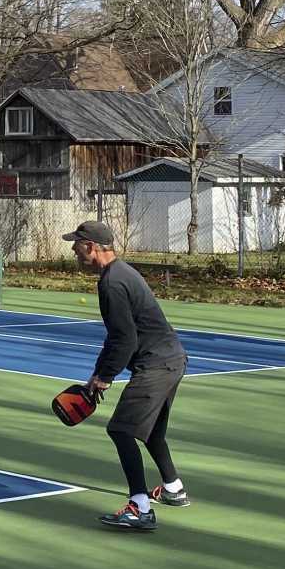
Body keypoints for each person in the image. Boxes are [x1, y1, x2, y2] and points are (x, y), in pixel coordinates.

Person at [66, 220, 190, 532]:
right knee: (151, 432)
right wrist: (97, 374)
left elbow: (126, 340)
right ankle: (173, 488)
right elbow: (116, 337)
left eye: (77, 244)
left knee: (121, 430)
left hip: (157, 364)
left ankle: (140, 507)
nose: (73, 249)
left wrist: (106, 377)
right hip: (171, 359)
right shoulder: (119, 273)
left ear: (92, 247)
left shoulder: (112, 282)